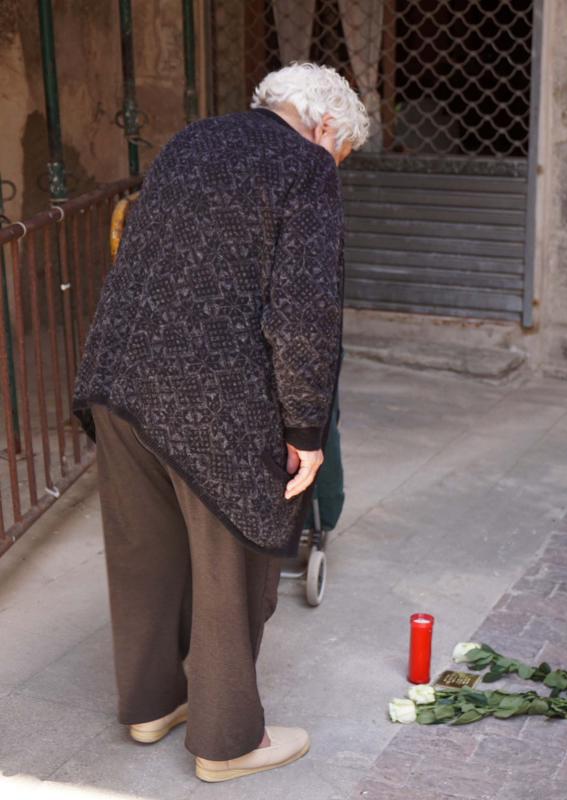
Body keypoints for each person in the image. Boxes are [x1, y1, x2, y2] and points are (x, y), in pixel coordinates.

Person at [71, 62, 369, 783]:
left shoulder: (191, 142)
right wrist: (304, 431)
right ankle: (227, 741)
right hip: (210, 397)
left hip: (117, 376)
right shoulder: (304, 165)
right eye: (342, 155)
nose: (335, 167)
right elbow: (302, 312)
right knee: (232, 562)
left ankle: (150, 707)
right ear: (325, 126)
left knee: (146, 553)